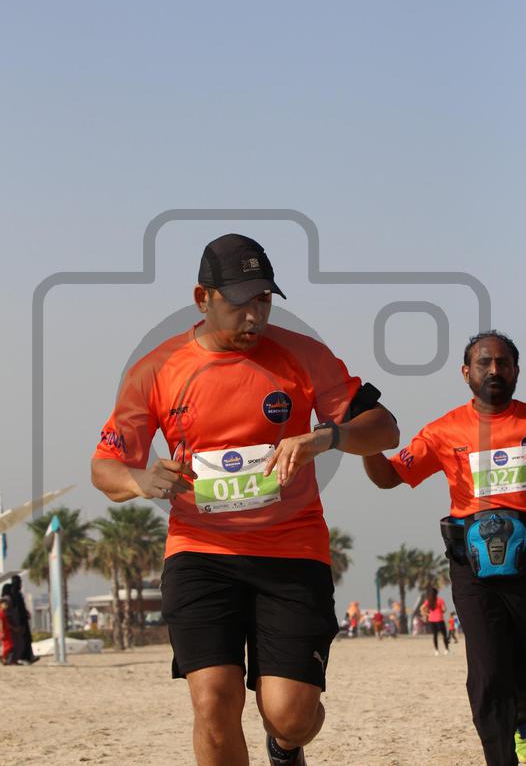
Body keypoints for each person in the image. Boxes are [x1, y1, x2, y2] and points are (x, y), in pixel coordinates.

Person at [91, 233, 399, 766]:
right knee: (213, 701)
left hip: (292, 550)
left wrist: (327, 437)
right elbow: (105, 466)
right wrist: (140, 479)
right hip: (199, 551)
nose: (255, 316)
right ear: (202, 298)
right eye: (239, 302)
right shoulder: (156, 370)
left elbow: (385, 428)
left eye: (264, 299)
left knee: (291, 716)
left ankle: (285, 746)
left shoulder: (304, 355)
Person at [363, 331, 526, 766]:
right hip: (474, 573)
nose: (494, 370)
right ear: (466, 372)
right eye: (484, 363)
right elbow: (390, 477)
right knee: (488, 673)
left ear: (516, 370)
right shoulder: (443, 431)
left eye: (503, 362)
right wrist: (366, 442)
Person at [10, 574, 38, 664]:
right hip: (19, 622)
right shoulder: (14, 594)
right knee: (22, 640)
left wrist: (26, 612)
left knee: (26, 639)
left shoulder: (18, 593)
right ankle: (22, 657)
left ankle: (29, 657)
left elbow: (22, 607)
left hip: (23, 621)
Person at [420, 586, 449, 655]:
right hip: (439, 619)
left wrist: (427, 614)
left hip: (431, 620)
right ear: (436, 593)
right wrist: (441, 611)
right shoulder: (440, 600)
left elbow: (421, 608)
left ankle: (436, 651)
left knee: (435, 635)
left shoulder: (428, 601)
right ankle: (446, 650)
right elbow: (444, 609)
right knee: (444, 635)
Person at [0, 584, 18, 665]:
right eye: (5, 604)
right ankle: (3, 657)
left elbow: (7, 623)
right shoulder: (0, 612)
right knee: (8, 646)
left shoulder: (3, 612)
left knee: (9, 646)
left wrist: (14, 628)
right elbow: (0, 623)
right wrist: (2, 632)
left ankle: (5, 659)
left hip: (7, 632)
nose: (6, 606)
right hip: (4, 632)